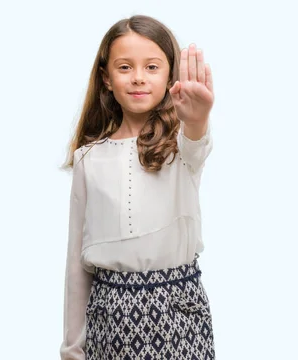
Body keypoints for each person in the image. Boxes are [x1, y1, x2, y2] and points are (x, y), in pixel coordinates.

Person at [59, 15, 215, 360]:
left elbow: (197, 142)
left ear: (171, 75)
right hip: (109, 319)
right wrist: (72, 349)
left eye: (153, 66)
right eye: (125, 67)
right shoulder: (89, 159)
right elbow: (76, 264)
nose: (139, 77)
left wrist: (198, 117)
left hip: (178, 316)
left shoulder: (180, 147)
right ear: (107, 79)